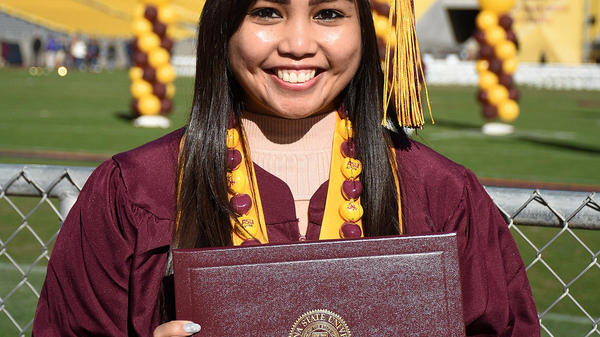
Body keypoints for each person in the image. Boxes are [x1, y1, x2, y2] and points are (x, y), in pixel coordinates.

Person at [33, 0, 540, 336]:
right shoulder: (136, 191)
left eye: (329, 14)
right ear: (223, 27)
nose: (298, 43)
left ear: (365, 28)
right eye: (267, 11)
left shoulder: (440, 194)